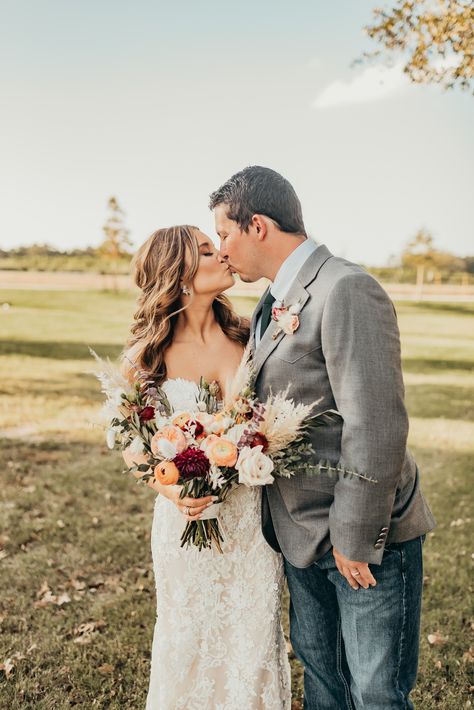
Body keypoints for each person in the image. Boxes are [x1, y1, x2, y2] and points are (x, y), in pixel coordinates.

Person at [210, 166, 436, 710]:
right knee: (325, 684)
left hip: (360, 542)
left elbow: (376, 422)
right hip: (300, 535)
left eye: (224, 234)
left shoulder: (346, 288)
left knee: (375, 693)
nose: (221, 249)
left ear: (257, 226)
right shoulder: (272, 301)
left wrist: (355, 537)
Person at [120, 225, 291, 710]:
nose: (222, 253)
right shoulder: (145, 358)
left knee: (253, 639)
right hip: (184, 521)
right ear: (178, 275)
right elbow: (133, 446)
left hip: (250, 524)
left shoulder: (251, 337)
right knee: (188, 635)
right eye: (205, 249)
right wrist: (173, 491)